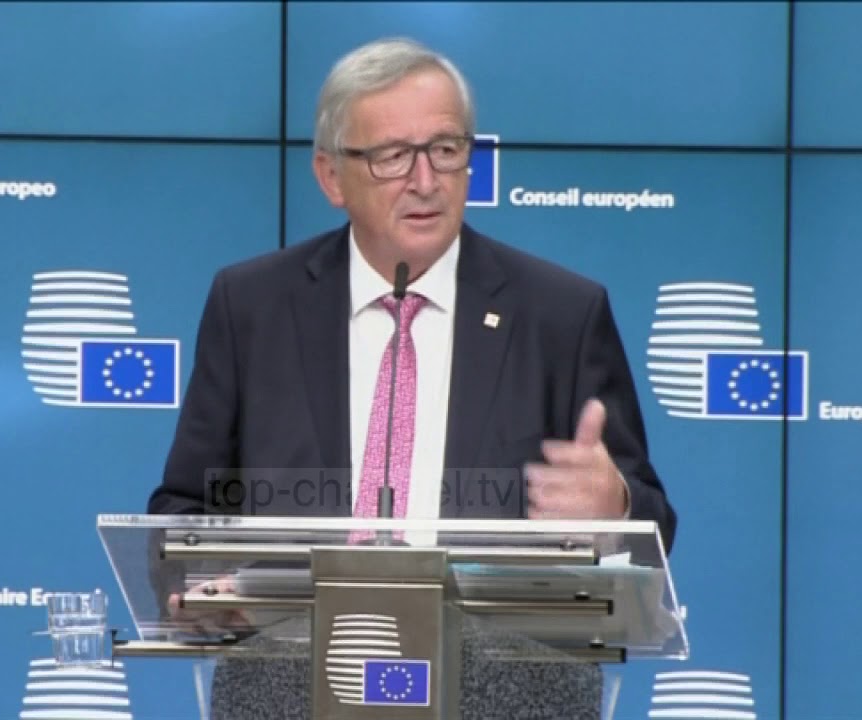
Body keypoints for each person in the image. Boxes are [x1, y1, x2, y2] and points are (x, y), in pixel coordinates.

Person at [145, 37, 677, 719]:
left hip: (511, 696)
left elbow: (651, 528)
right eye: (394, 156)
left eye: (446, 150)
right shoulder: (252, 307)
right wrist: (198, 584)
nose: (426, 180)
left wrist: (617, 510)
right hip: (285, 689)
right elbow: (184, 511)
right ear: (332, 176)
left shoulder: (561, 315)